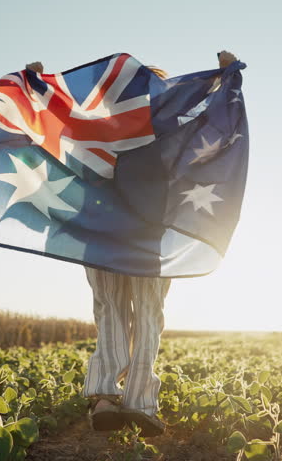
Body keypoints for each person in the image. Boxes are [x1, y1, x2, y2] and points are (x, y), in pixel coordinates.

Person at [25, 50, 238, 437]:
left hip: (126, 231)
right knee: (134, 311)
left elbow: (209, 123)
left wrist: (224, 78)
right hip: (126, 231)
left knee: (127, 311)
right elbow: (59, 119)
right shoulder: (117, 127)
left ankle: (121, 398)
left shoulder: (149, 128)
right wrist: (36, 87)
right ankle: (125, 399)